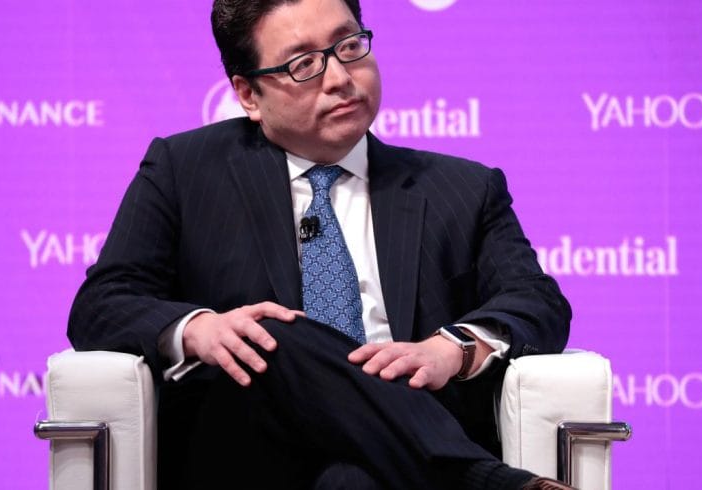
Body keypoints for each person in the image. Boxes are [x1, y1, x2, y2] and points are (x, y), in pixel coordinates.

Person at [68, 0, 573, 488]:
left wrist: (455, 348)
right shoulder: (184, 171)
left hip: (395, 469)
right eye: (303, 64)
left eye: (349, 46)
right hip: (247, 456)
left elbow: (537, 301)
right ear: (248, 95)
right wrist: (200, 329)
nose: (339, 78)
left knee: (351, 481)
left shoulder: (462, 189)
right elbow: (101, 305)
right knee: (269, 335)